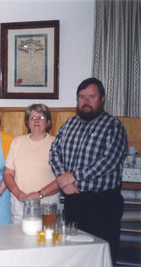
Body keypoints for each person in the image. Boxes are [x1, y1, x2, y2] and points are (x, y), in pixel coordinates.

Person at [49, 77, 128, 264]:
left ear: (102, 99)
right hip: (73, 201)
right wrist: (63, 179)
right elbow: (54, 153)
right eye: (81, 97)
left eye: (91, 96)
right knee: (74, 256)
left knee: (102, 256)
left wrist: (73, 177)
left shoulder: (113, 126)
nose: (86, 101)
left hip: (103, 204)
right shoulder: (69, 124)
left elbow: (109, 160)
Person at [3, 104, 60, 224]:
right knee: (19, 241)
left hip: (47, 204)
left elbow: (62, 179)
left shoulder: (57, 144)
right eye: (33, 118)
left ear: (48, 122)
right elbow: (8, 173)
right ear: (27, 122)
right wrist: (16, 191)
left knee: (46, 240)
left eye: (41, 118)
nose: (37, 121)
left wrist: (39, 194)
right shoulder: (17, 142)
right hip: (19, 203)